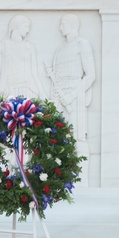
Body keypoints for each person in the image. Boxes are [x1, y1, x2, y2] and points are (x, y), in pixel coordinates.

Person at [46, 13, 96, 166]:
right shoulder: (60, 49)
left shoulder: (82, 44)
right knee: (57, 136)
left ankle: (79, 175)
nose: (60, 28)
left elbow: (90, 75)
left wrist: (73, 95)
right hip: (60, 96)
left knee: (76, 137)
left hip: (75, 96)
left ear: (72, 25)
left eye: (63, 24)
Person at [0, 14, 48, 100]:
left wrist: (45, 99)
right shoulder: (2, 46)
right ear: (17, 26)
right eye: (26, 26)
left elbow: (35, 75)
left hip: (28, 91)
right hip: (8, 92)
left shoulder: (29, 48)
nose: (28, 30)